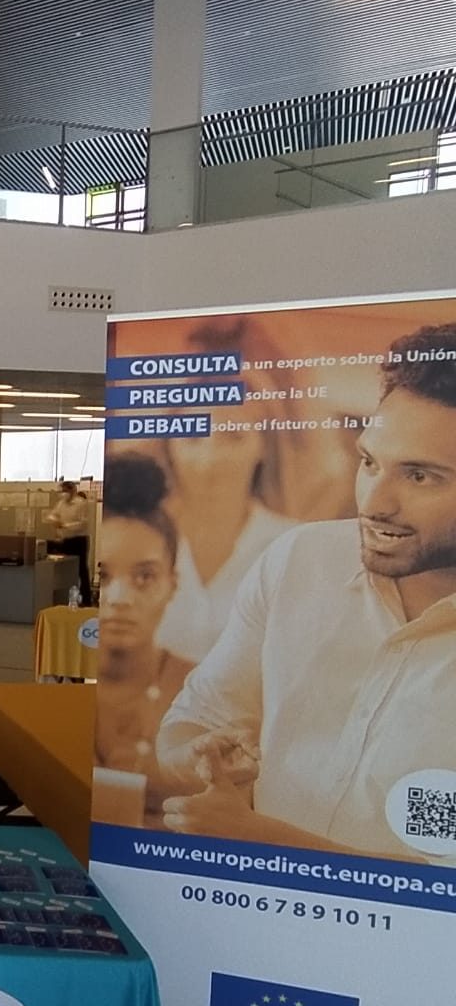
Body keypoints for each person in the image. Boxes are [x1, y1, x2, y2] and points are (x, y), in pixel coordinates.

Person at [156, 321, 456, 860]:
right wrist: (201, 756)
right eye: (370, 463)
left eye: (420, 477)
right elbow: (193, 722)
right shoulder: (300, 560)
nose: (373, 503)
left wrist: (265, 842)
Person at [93, 456, 194, 808]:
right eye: (102, 576)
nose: (120, 599)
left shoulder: (203, 695)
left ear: (172, 585)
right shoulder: (60, 684)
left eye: (144, 577)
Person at [157, 407, 295, 664]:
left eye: (234, 437)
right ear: (169, 447)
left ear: (264, 446)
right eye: (192, 439)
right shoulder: (140, 539)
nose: (211, 460)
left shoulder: (292, 545)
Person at [46, 480, 91, 600]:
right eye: (62, 491)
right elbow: (52, 515)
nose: (63, 493)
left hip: (79, 540)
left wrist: (65, 525)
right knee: (66, 569)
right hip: (66, 540)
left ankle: (86, 599)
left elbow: (83, 523)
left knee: (81, 570)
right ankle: (67, 596)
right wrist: (54, 520)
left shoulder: (81, 503)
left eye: (65, 491)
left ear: (72, 491)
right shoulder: (61, 504)